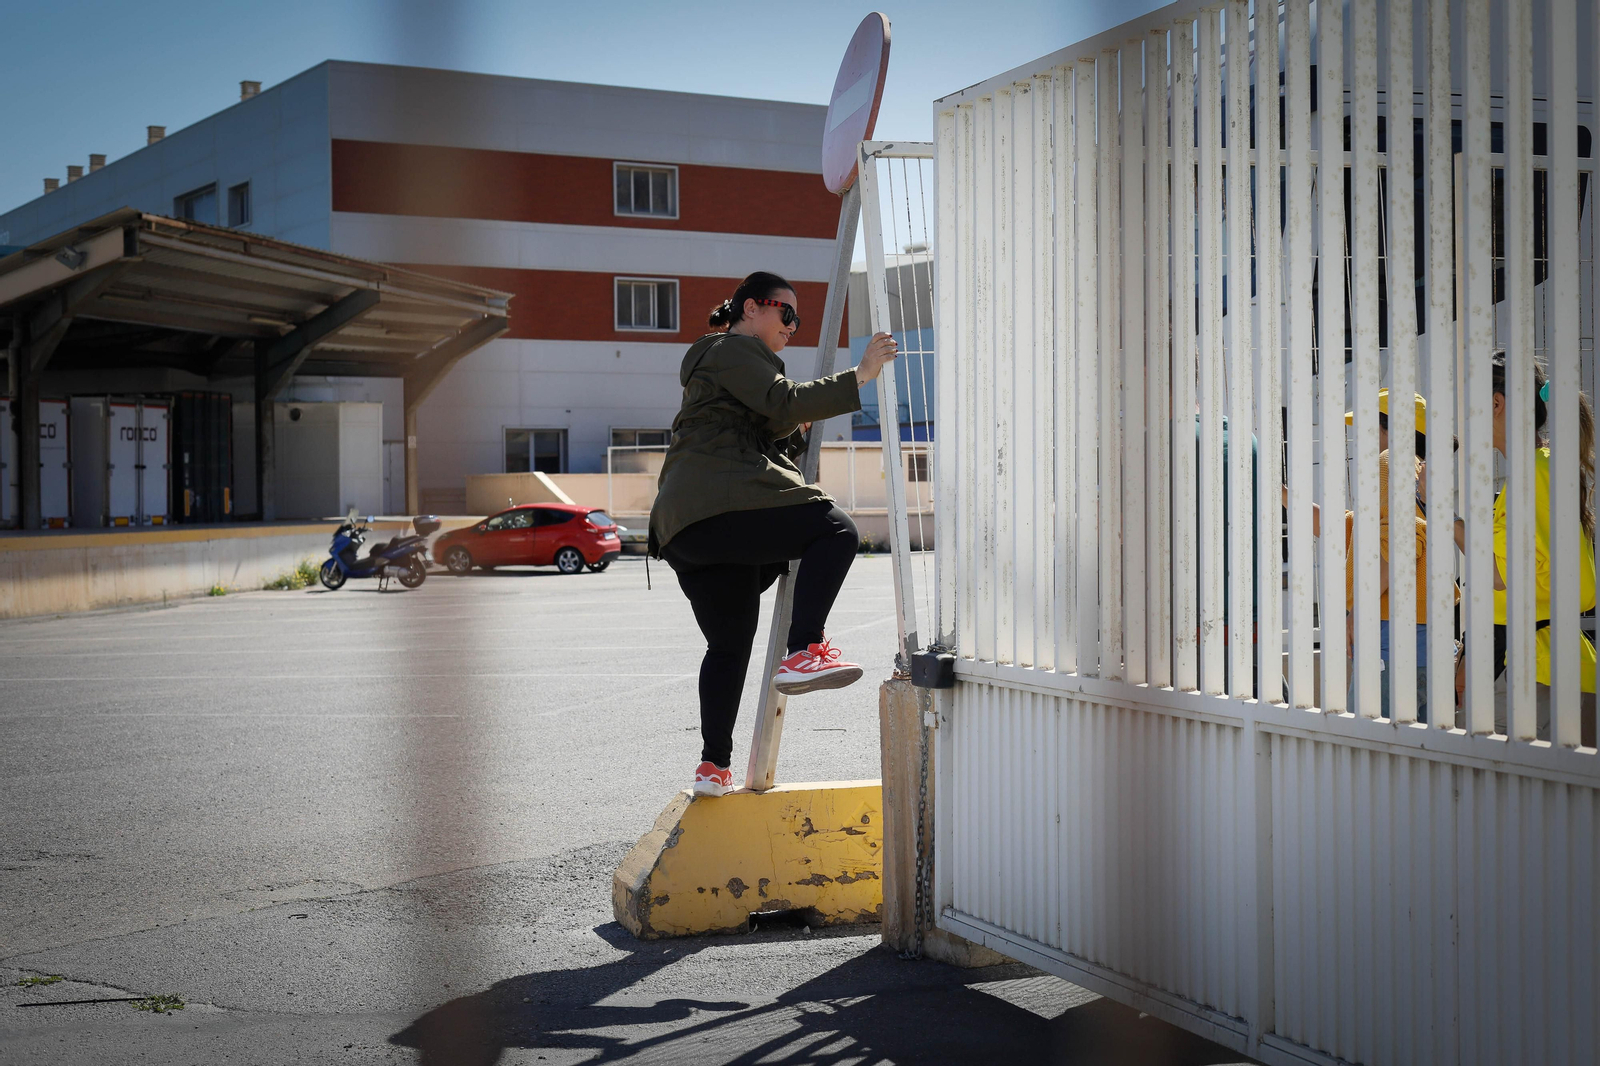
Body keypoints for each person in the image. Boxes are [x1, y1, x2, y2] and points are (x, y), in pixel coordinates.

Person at [649, 271, 899, 797]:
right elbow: (782, 402)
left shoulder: (720, 368)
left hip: (686, 529)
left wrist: (790, 431)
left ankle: (712, 768)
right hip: (719, 503)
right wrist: (861, 376)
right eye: (785, 313)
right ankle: (805, 647)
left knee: (729, 644)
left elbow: (758, 430)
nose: (792, 325)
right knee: (834, 530)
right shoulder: (732, 348)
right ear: (751, 309)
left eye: (797, 318)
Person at [1446, 355, 1598, 744]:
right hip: (1537, 665)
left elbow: (1499, 576)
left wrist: (1447, 518)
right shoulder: (1537, 470)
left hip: (1535, 673)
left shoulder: (1534, 475)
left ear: (1496, 404)